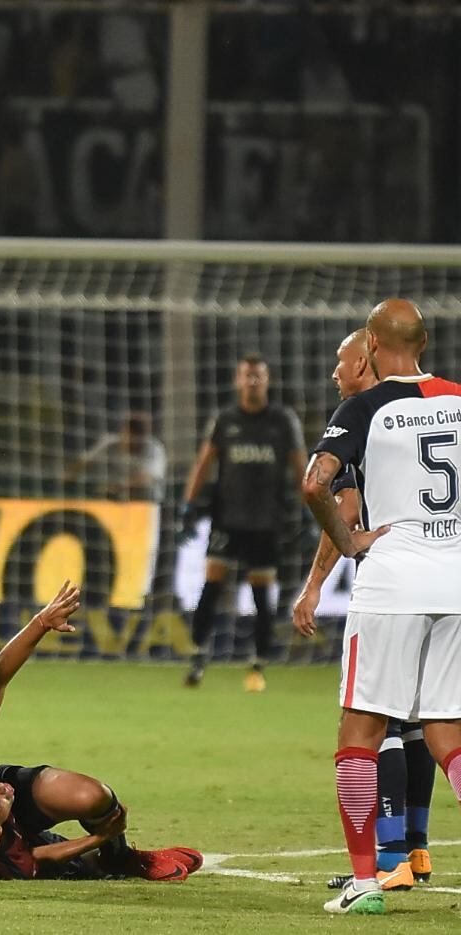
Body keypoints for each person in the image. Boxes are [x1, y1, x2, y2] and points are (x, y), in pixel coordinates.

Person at [303, 299, 461, 916]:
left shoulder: (364, 407)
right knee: (446, 730)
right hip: (456, 582)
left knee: (360, 731)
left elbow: (317, 482)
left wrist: (351, 544)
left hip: (394, 582)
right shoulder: (457, 398)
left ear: (371, 343)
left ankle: (366, 879)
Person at [0, 582, 202, 882]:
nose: (3, 788)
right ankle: (112, 862)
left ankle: (120, 857)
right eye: (0, 797)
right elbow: (35, 857)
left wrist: (40, 623)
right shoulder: (4, 864)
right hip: (14, 849)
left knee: (90, 795)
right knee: (81, 869)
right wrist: (99, 838)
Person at [179, 353, 306, 691]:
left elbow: (299, 465)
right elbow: (203, 462)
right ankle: (198, 655)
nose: (252, 382)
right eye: (247, 376)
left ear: (267, 381)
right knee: (212, 586)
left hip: (266, 521)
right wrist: (188, 505)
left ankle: (258, 663)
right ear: (238, 381)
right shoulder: (225, 420)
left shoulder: (282, 421)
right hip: (227, 518)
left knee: (263, 594)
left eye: (258, 376)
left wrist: (309, 508)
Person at [64, 411, 166, 502]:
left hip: (146, 502)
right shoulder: (110, 443)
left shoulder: (155, 449)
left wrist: (118, 486)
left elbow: (146, 478)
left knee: (146, 489)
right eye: (128, 433)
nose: (132, 440)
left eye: (139, 436)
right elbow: (85, 459)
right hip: (116, 500)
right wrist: (70, 475)